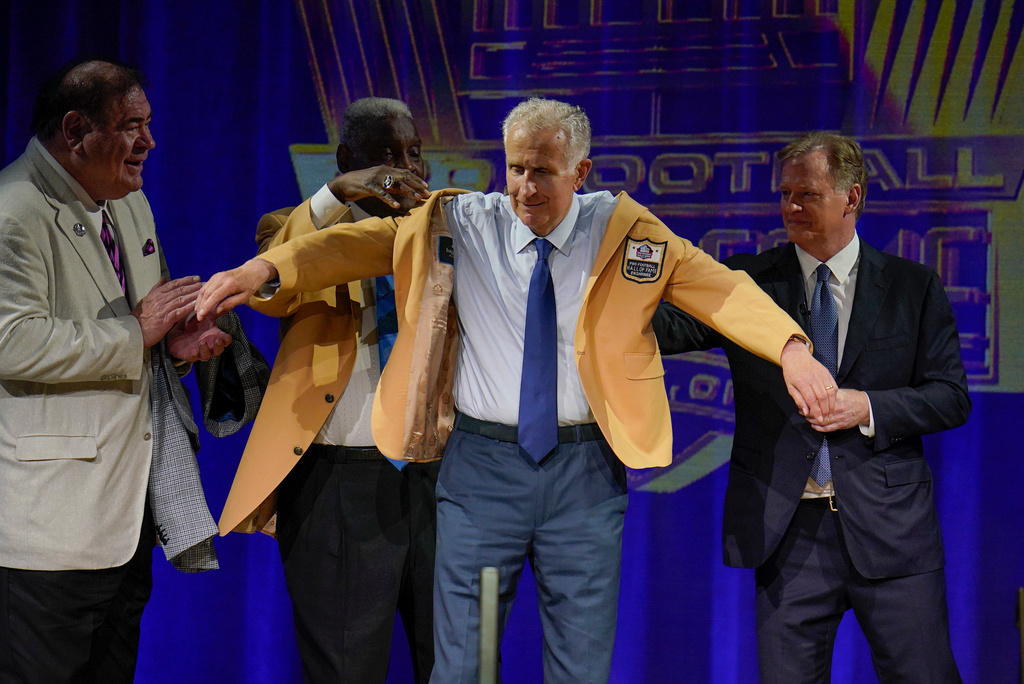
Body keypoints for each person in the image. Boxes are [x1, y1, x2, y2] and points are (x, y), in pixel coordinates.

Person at [195, 98, 834, 684]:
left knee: (579, 665)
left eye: (544, 172)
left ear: (580, 171)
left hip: (584, 475)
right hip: (481, 475)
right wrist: (263, 268)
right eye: (516, 168)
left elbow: (720, 290)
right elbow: (357, 244)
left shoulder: (625, 231)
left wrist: (792, 349)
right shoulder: (464, 221)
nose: (526, 187)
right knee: (466, 665)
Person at [653, 131, 970, 682]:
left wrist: (865, 407)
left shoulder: (911, 286)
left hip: (892, 533)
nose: (791, 207)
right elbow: (662, 330)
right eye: (785, 194)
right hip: (787, 531)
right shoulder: (746, 285)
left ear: (852, 197)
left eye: (808, 194)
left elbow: (949, 397)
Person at [0, 58, 266, 684]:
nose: (149, 142)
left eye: (149, 124)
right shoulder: (14, 214)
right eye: (132, 126)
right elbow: (11, 340)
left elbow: (144, 326)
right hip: (52, 532)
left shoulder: (130, 203)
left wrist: (176, 341)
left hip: (126, 518)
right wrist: (136, 334)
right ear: (75, 130)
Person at [217, 97, 435, 684]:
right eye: (386, 156)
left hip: (443, 480)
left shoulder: (448, 235)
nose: (406, 168)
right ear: (346, 161)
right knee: (344, 670)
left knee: (456, 666)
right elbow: (276, 284)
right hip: (341, 485)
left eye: (415, 153)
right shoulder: (290, 228)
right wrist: (338, 194)